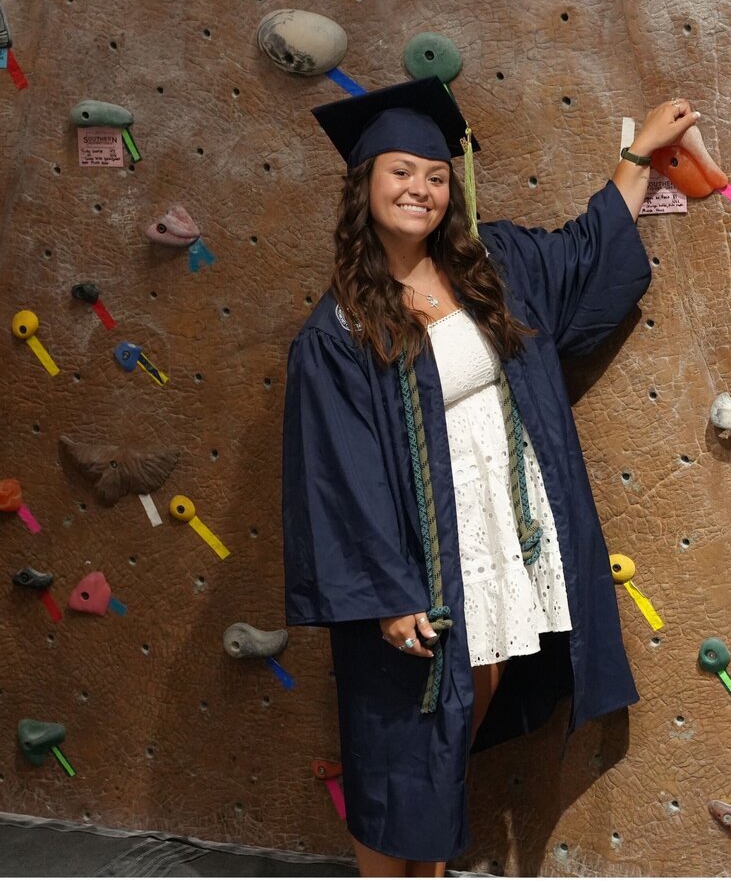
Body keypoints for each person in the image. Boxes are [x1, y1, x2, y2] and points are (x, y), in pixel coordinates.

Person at [282, 77, 701, 876]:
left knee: (460, 714)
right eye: (402, 172)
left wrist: (638, 156)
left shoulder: (491, 263)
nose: (421, 189)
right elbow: (339, 475)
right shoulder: (341, 328)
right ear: (365, 186)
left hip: (497, 528)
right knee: (400, 739)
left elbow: (583, 254)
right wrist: (389, 593)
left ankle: (429, 868)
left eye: (436, 175)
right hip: (418, 550)